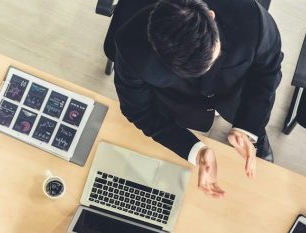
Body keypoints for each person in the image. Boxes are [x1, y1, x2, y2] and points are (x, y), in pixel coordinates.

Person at [109, 0, 283, 198]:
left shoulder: (252, 19)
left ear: (211, 16)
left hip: (236, 94)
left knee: (255, 132)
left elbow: (268, 69)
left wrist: (248, 126)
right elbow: (139, 110)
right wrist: (195, 150)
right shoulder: (131, 47)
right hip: (182, 103)